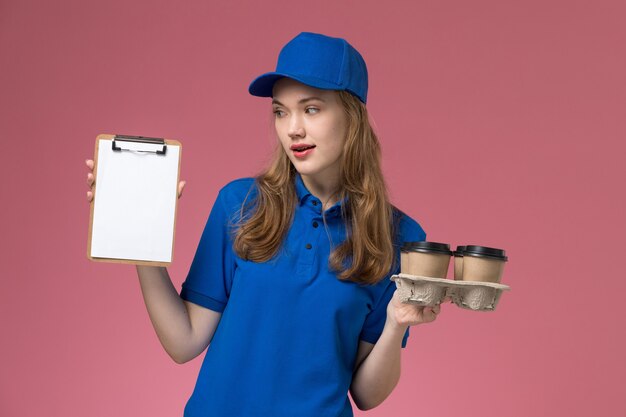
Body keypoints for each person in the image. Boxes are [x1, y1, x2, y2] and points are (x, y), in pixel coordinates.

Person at [85, 31, 444, 417]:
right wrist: (144, 238)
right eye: (280, 111)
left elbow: (368, 395)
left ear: (352, 116)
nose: (293, 129)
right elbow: (183, 341)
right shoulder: (239, 204)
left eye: (311, 109)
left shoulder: (399, 237)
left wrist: (395, 324)